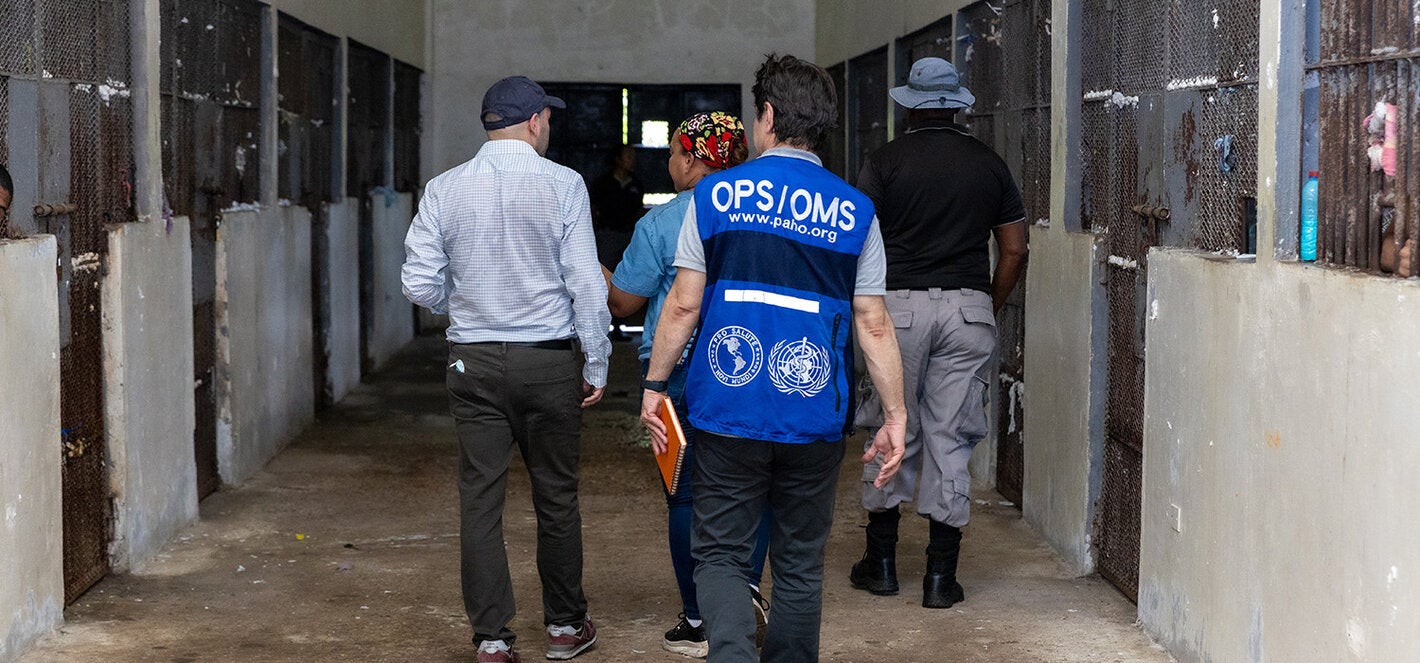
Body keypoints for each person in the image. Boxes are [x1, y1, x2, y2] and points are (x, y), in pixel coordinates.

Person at [640, 54, 907, 662]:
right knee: (799, 562)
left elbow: (682, 306)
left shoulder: (713, 197)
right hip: (813, 414)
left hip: (726, 409)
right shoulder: (855, 211)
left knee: (723, 554)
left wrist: (655, 385)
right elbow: (873, 321)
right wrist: (896, 415)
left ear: (766, 117)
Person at [401, 75, 610, 663]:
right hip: (546, 362)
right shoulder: (564, 185)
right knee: (556, 496)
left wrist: (463, 302)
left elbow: (417, 282)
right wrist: (595, 360)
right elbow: (586, 288)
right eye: (550, 119)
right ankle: (566, 629)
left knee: (480, 499)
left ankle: (493, 640)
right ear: (537, 121)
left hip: (473, 364)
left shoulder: (444, 189)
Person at [847, 57, 1029, 610]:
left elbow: (856, 238)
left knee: (889, 422)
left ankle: (880, 564)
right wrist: (987, 302)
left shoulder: (883, 162)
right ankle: (939, 579)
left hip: (895, 309)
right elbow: (1016, 247)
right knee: (951, 434)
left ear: (908, 104)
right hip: (967, 308)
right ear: (957, 104)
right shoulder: (989, 164)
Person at [603, 111, 771, 658]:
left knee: (686, 494)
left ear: (694, 160)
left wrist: (594, 270)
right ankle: (744, 602)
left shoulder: (664, 221)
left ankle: (699, 617)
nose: (669, 162)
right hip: (754, 367)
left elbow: (625, 303)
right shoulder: (763, 210)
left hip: (678, 375)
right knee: (754, 490)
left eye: (674, 152)